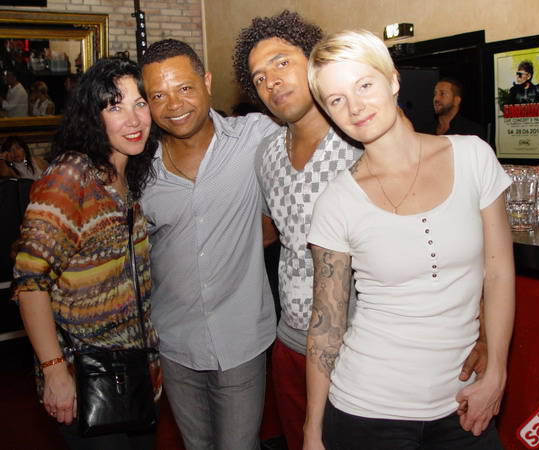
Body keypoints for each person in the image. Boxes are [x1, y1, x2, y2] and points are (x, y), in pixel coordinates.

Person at [233, 11, 490, 450]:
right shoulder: (267, 155)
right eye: (259, 77)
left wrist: (482, 332)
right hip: (291, 341)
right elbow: (276, 236)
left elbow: (446, 237)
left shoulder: (366, 132)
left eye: (282, 62)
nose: (271, 81)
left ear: (313, 63)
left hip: (365, 351)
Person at [304, 30, 515, 449]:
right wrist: (313, 429)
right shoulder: (336, 200)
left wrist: (497, 372)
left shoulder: (473, 156)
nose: (355, 107)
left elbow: (499, 273)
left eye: (364, 85)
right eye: (337, 99)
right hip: (366, 409)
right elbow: (326, 326)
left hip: (463, 405)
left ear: (393, 80)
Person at [12, 56, 161, 450]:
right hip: (85, 376)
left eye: (140, 103)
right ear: (93, 116)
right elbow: (30, 283)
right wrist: (54, 371)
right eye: (115, 107)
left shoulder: (127, 174)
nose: (133, 119)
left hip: (133, 371)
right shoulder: (70, 176)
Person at [139, 39, 279, 450]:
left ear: (207, 82)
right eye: (158, 95)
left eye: (184, 88)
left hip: (241, 339)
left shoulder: (255, 136)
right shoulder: (141, 169)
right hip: (174, 342)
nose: (174, 105)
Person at [420, 77, 485, 140]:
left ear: (456, 100)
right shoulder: (425, 131)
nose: (436, 98)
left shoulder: (470, 132)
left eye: (442, 94)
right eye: (435, 94)